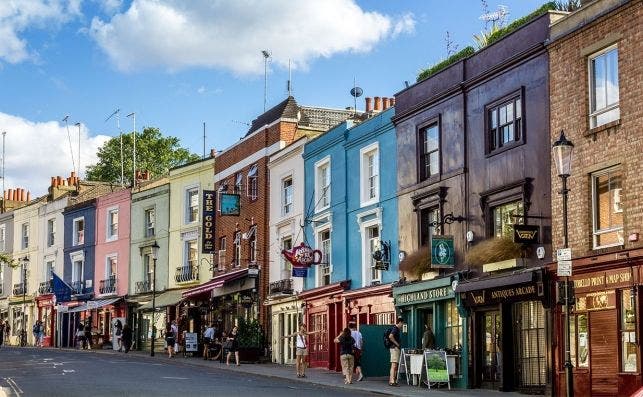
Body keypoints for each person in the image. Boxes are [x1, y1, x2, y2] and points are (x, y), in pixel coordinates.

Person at [388, 317, 404, 387]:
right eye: (402, 323)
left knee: (394, 365)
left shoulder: (396, 329)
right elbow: (390, 336)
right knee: (394, 365)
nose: (402, 325)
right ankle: (392, 381)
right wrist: (397, 344)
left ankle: (391, 380)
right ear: (400, 322)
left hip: (393, 348)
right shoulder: (395, 329)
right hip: (395, 348)